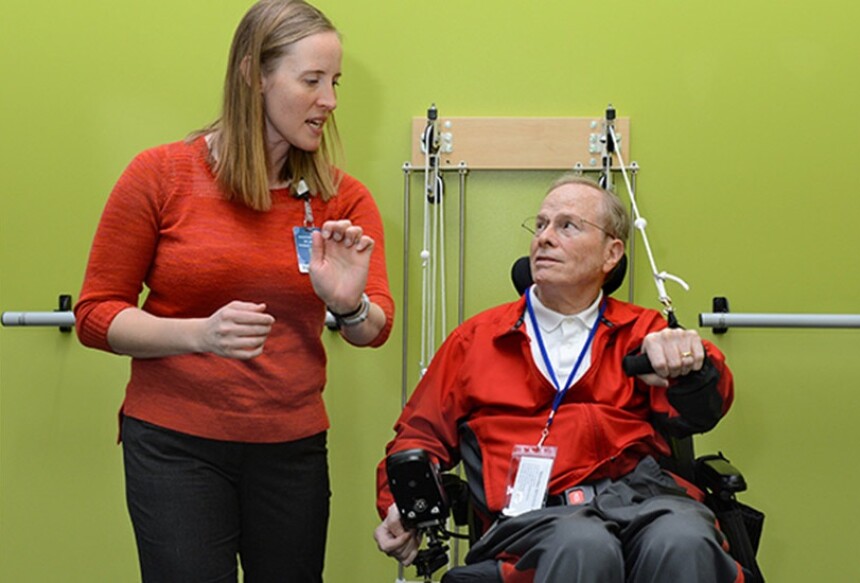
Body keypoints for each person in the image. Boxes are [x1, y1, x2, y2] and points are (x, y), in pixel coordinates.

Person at [75, 1, 393, 581]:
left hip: (291, 451)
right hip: (175, 447)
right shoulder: (160, 175)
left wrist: (348, 304)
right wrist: (199, 334)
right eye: (312, 80)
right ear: (254, 74)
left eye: (335, 82)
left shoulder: (340, 198)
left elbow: (376, 328)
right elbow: (96, 314)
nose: (331, 101)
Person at [374, 174, 744, 582]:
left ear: (611, 254)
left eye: (567, 225)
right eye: (541, 225)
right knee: (583, 544)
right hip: (533, 516)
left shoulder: (642, 331)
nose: (544, 238)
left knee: (685, 539)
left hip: (641, 499)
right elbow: (418, 438)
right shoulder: (476, 340)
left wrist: (693, 363)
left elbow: (706, 403)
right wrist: (402, 505)